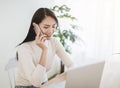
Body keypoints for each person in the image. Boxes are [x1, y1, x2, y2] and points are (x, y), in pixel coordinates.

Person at [15, 8, 74, 88]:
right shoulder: (24, 48)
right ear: (35, 26)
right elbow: (35, 82)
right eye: (46, 27)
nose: (51, 31)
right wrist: (44, 49)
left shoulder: (54, 42)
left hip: (45, 84)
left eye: (54, 26)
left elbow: (71, 64)